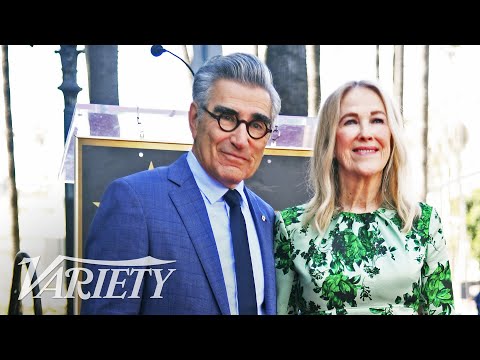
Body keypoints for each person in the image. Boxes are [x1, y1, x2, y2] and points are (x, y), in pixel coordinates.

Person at [80, 52, 281, 315]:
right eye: (227, 118)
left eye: (256, 124)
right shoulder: (134, 202)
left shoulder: (266, 219)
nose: (241, 140)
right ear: (195, 119)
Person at [274, 80, 455, 315]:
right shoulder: (292, 227)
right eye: (350, 121)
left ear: (391, 135)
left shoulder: (422, 222)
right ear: (330, 138)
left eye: (378, 120)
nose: (366, 133)